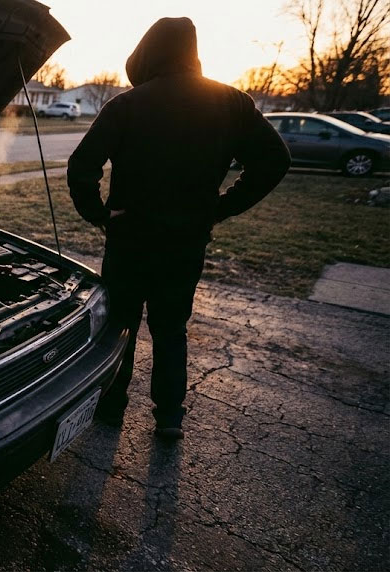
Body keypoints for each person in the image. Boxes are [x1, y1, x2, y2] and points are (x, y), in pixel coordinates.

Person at [66, 17, 290, 439]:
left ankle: (111, 407)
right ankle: (169, 417)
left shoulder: (128, 104)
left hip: (129, 239)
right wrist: (221, 208)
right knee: (171, 328)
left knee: (121, 324)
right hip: (186, 242)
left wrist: (97, 213)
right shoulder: (231, 103)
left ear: (148, 51)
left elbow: (82, 167)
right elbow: (276, 160)